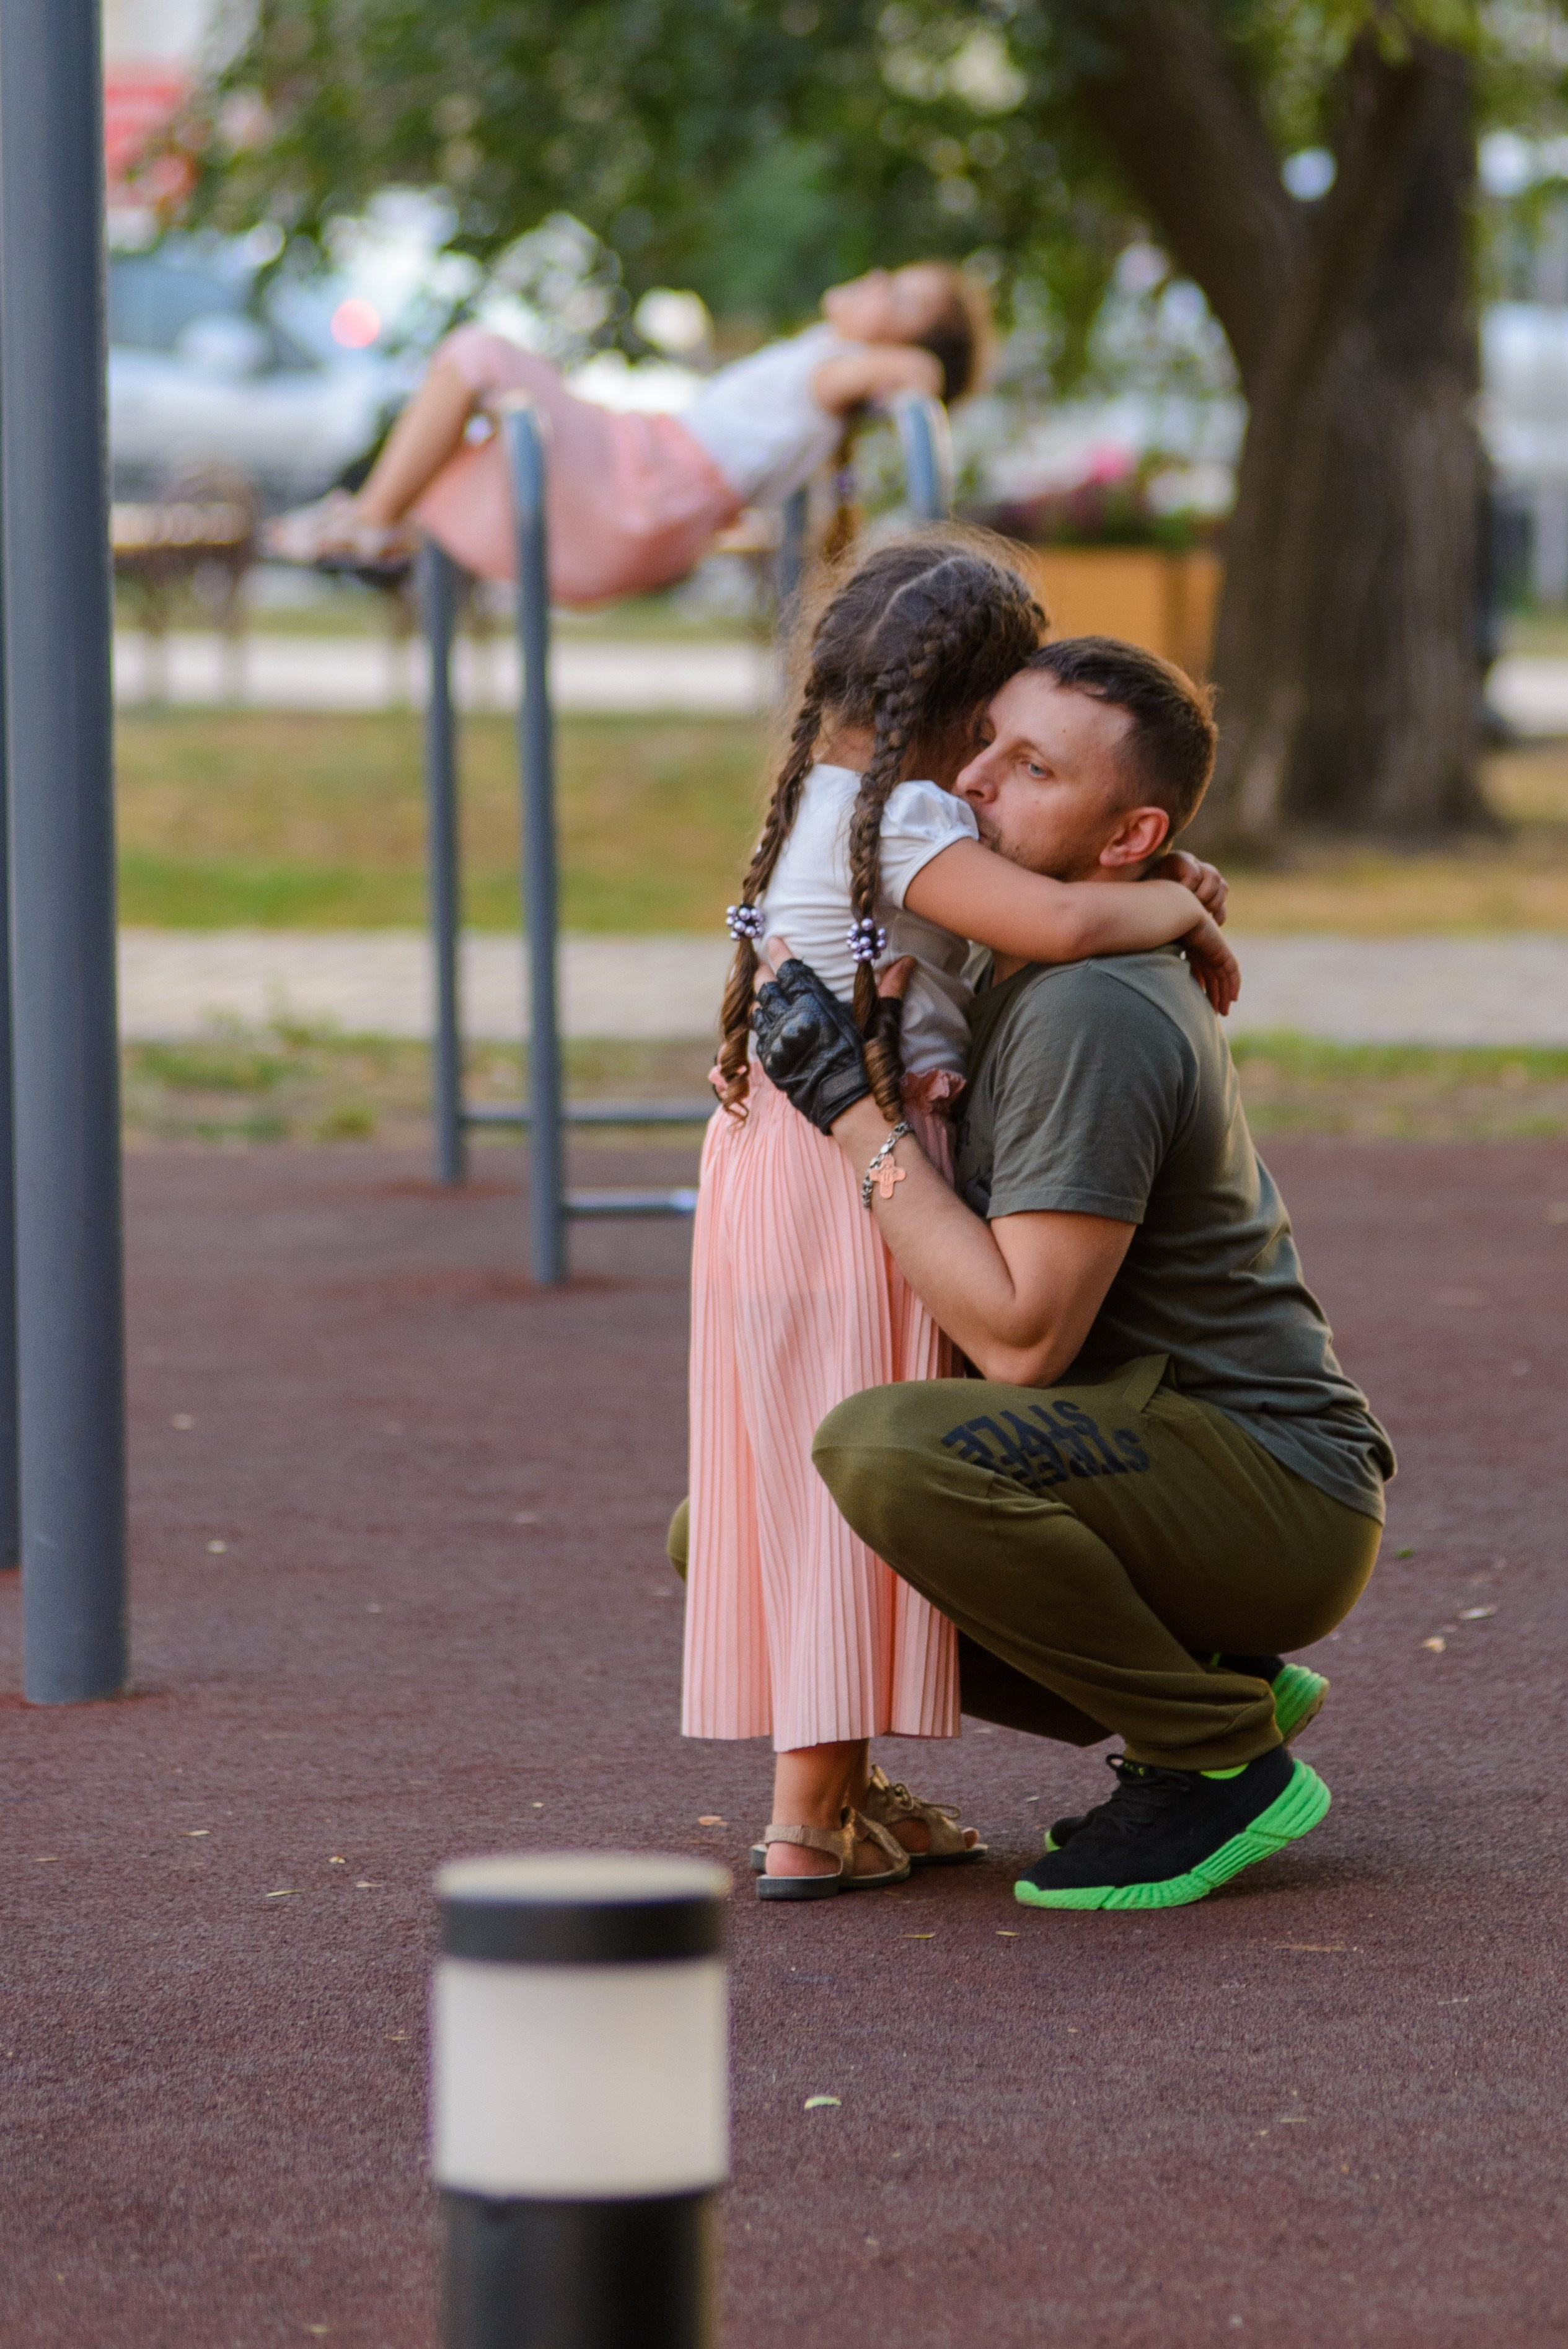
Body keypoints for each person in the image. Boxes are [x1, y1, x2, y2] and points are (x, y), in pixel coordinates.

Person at [749, 635, 1395, 1912]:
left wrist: (849, 1113)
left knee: (883, 1450)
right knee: (737, 1539)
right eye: (981, 737)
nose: (971, 782)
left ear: (1125, 834)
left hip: (1268, 1483)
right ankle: (1204, 1672)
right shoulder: (998, 939)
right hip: (1138, 1450)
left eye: (1029, 766)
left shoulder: (1087, 1006)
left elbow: (1021, 1339)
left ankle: (1214, 1755)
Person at [684, 534, 1240, 1903]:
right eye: (994, 733)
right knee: (849, 1479)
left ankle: (850, 1793)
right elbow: (1050, 918)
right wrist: (1178, 900)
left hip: (764, 1163)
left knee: (790, 1479)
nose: (993, 771)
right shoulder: (914, 822)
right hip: (852, 1175)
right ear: (956, 714)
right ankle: (805, 1819)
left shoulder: (819, 804)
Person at [266, 263, 993, 599]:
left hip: (643, 477)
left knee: (479, 356)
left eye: (899, 295)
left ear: (902, 343)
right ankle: (387, 523)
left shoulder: (837, 371)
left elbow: (920, 377)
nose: (874, 275)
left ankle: (370, 520)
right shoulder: (826, 370)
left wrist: (905, 361)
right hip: (645, 470)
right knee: (478, 446)